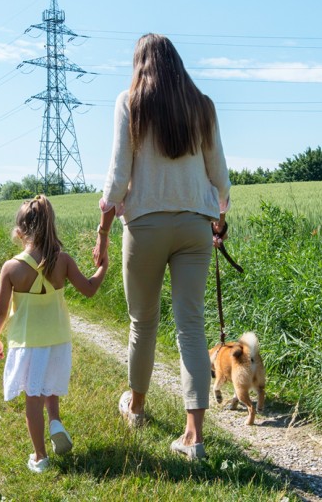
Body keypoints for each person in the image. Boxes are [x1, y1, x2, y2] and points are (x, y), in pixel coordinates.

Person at [94, 33, 231, 461]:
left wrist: (103, 225)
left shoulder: (129, 102)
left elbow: (118, 177)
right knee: (191, 326)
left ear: (140, 65)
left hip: (145, 226)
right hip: (194, 226)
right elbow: (220, 175)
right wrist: (219, 218)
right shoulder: (202, 105)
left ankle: (135, 406)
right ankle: (194, 437)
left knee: (143, 323)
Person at [0, 195, 107, 473]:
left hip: (28, 342)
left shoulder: (12, 268)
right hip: (58, 340)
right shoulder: (63, 260)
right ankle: (55, 421)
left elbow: (0, 309)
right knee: (50, 385)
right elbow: (89, 289)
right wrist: (104, 266)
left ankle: (40, 456)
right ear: (51, 226)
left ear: (20, 232)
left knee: (33, 395)